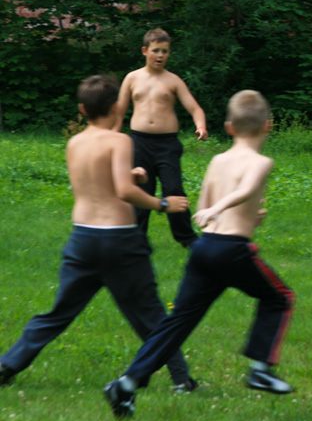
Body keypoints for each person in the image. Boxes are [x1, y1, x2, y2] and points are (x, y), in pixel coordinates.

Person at [104, 90, 295, 419]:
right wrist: (225, 209)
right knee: (280, 298)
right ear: (268, 125)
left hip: (205, 248)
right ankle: (261, 369)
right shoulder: (262, 162)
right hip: (232, 251)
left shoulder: (218, 161)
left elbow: (204, 207)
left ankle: (126, 384)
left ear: (229, 127)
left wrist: (239, 215)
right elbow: (246, 189)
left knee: (178, 322)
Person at [0, 75, 197, 392]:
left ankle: (6, 365)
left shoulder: (74, 143)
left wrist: (130, 174)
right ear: (117, 107)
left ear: (82, 109)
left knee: (59, 313)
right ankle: (182, 380)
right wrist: (163, 204)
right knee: (150, 314)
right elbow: (123, 192)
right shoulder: (120, 141)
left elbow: (94, 179)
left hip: (83, 241)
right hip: (120, 241)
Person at [114, 28, 208, 248]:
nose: (160, 55)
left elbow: (195, 108)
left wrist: (200, 126)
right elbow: (119, 112)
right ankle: (135, 238)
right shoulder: (132, 78)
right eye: (156, 50)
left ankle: (187, 238)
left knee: (173, 189)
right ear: (145, 51)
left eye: (165, 51)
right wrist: (113, 135)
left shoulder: (173, 81)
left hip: (167, 145)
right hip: (139, 143)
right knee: (141, 191)